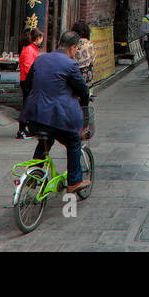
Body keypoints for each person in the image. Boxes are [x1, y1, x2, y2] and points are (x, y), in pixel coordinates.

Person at [20, 31, 91, 194]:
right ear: (73, 48)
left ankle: (34, 174)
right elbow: (83, 90)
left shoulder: (41, 58)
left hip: (34, 116)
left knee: (45, 140)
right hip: (57, 117)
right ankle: (74, 181)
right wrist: (83, 103)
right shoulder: (70, 65)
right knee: (73, 142)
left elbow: (28, 83)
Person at [17, 28, 44, 139]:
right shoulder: (29, 50)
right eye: (41, 38)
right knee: (27, 105)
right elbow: (28, 67)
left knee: (31, 105)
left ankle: (30, 128)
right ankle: (22, 129)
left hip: (30, 80)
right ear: (37, 38)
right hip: (27, 81)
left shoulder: (32, 49)